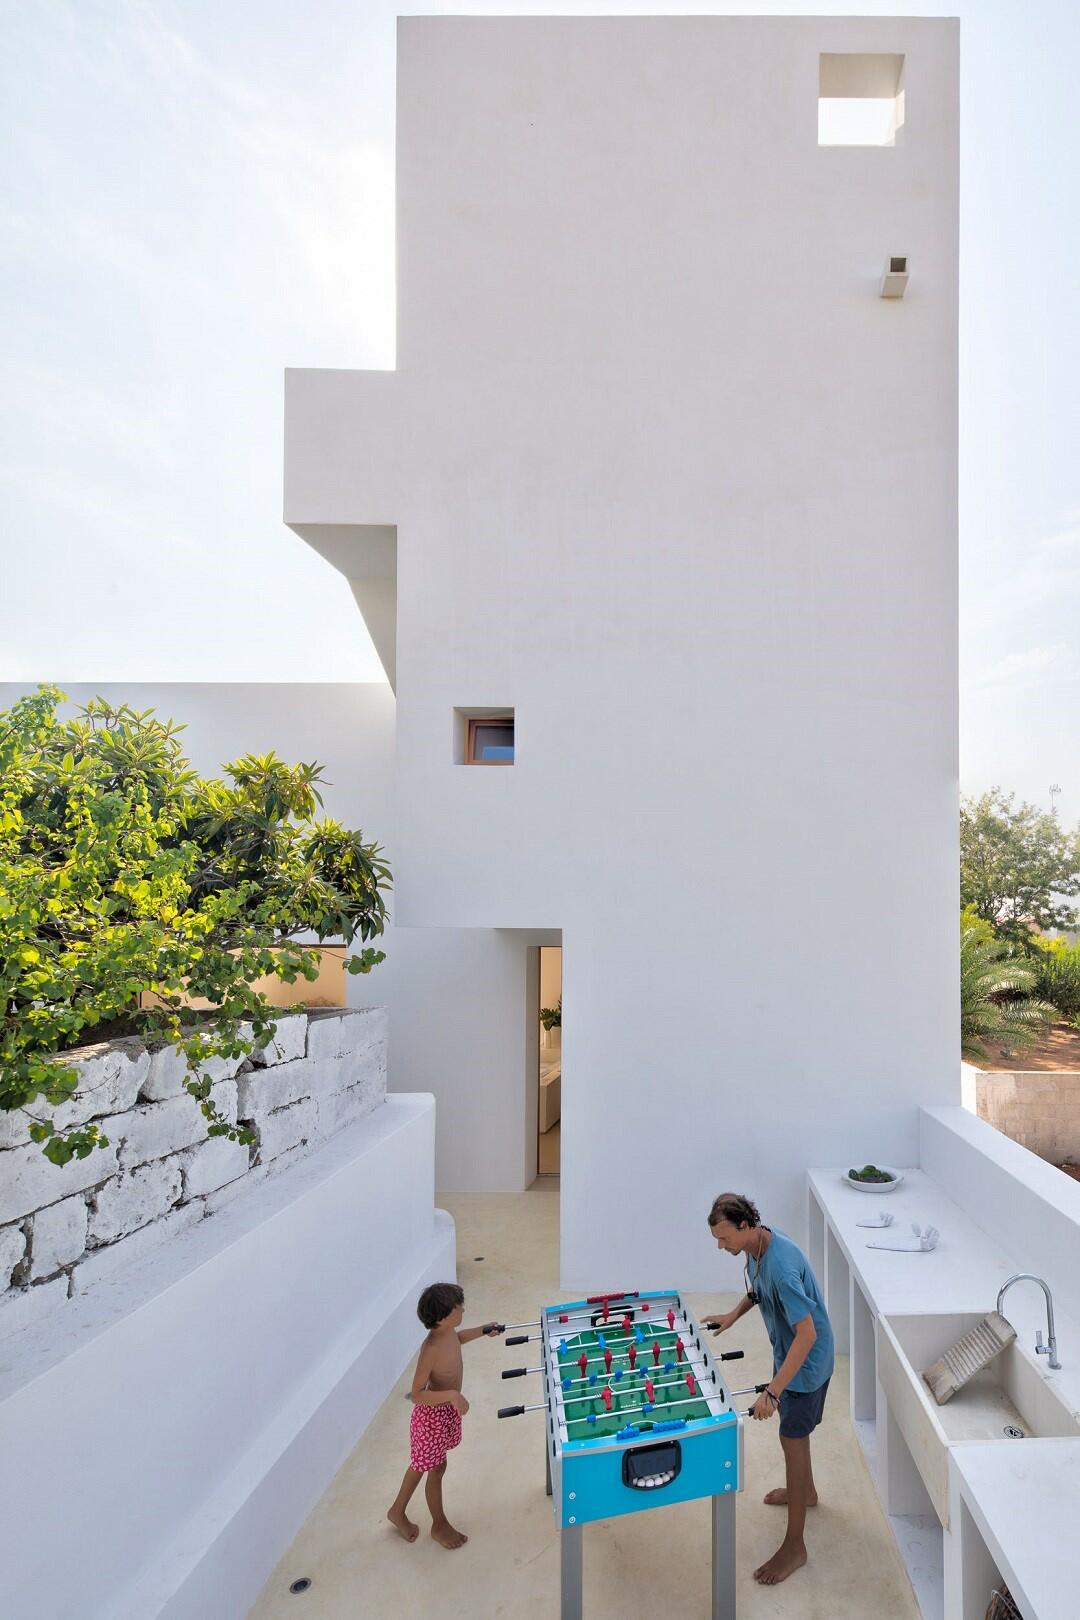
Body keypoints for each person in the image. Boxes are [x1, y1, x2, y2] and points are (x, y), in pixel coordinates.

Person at [703, 1191, 833, 1586]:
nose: (721, 1247)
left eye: (724, 1239)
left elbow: (806, 1334)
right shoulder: (757, 1245)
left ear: (744, 1226)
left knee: (791, 1437)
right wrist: (733, 1315)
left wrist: (774, 1392)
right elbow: (758, 1291)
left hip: (805, 1368)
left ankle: (795, 1546)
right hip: (791, 1360)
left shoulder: (782, 1266)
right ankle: (805, 1492)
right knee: (796, 1436)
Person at [386, 1282, 503, 1550]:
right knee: (433, 1469)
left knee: (424, 1466)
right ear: (441, 1318)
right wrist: (452, 1395)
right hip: (430, 1418)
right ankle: (438, 1525)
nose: (462, 1309)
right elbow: (416, 1394)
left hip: (444, 1414)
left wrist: (484, 1331)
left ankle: (397, 1510)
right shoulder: (430, 1349)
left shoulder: (447, 1334)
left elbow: (459, 1339)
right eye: (457, 1308)